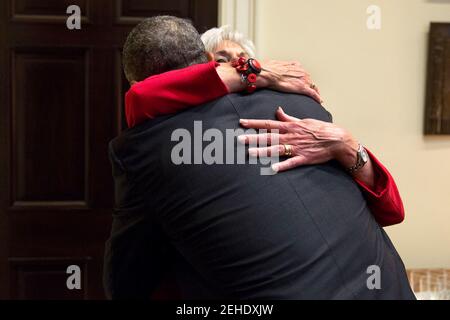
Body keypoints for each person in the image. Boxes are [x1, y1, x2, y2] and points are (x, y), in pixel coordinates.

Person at [104, 15, 415, 299]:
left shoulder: (147, 147)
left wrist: (347, 144)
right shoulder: (300, 99)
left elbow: (127, 284)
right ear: (211, 64)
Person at [124, 25, 404, 227]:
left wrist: (345, 144)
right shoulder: (187, 134)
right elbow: (142, 96)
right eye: (224, 63)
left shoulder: (293, 112)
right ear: (205, 68)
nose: (240, 67)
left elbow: (391, 211)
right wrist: (259, 72)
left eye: (246, 60)